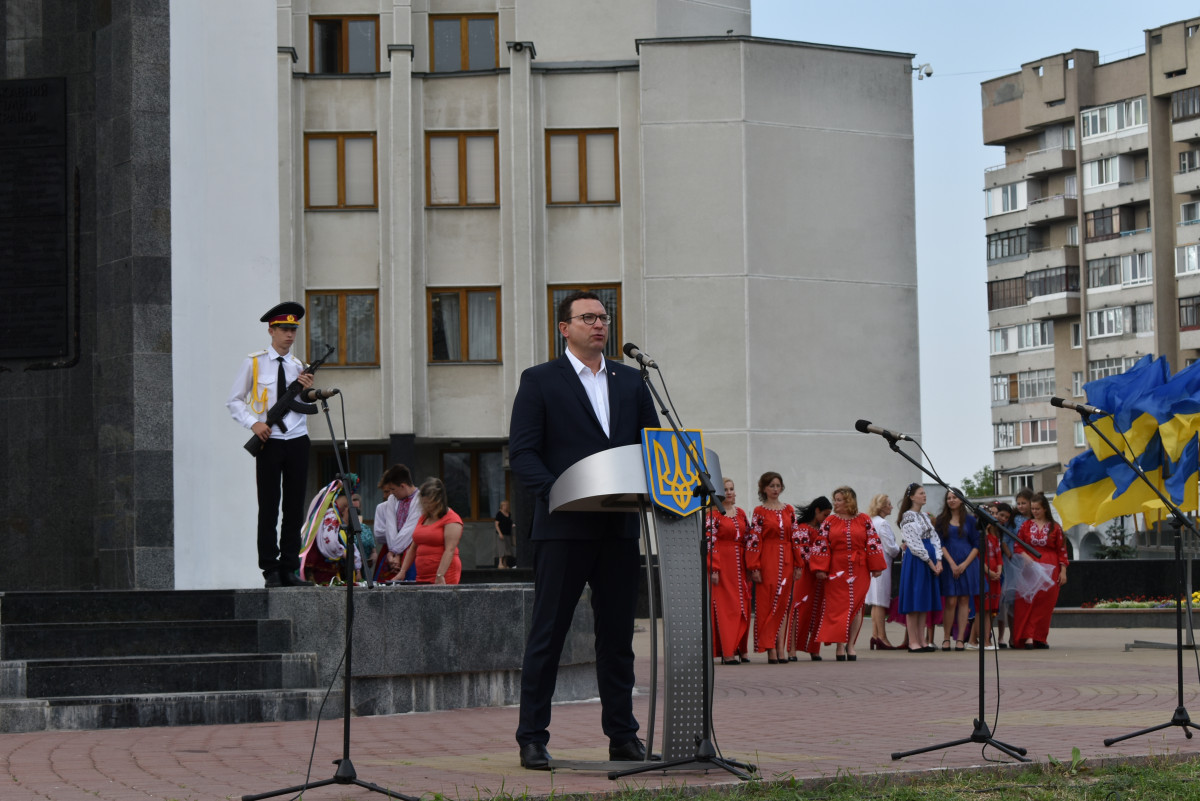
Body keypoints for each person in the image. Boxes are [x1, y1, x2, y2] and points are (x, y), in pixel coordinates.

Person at [508, 290, 660, 770]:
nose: (599, 324)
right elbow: (523, 453)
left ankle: (623, 737)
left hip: (619, 527)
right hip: (564, 527)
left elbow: (654, 449)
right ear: (564, 328)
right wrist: (559, 491)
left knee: (617, 639)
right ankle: (532, 738)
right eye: (588, 317)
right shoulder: (539, 380)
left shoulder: (632, 381)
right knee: (548, 635)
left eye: (604, 317)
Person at [226, 301, 316, 588]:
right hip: (269, 441)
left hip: (297, 440)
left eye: (293, 329)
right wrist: (254, 423)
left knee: (294, 507)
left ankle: (290, 567)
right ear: (271, 330)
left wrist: (307, 391)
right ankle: (270, 569)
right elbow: (235, 400)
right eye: (284, 329)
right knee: (269, 507)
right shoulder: (255, 362)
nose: (289, 335)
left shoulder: (299, 367)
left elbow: (302, 404)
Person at [809, 486, 887, 661]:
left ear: (849, 501)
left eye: (839, 500)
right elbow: (821, 544)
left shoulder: (864, 519)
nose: (835, 503)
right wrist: (820, 567)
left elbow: (873, 542)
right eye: (835, 499)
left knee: (856, 607)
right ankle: (839, 645)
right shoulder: (830, 521)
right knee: (838, 608)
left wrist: (876, 566)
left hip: (860, 569)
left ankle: (850, 645)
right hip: (837, 569)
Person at [746, 472, 798, 664]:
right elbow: (755, 539)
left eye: (778, 485)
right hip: (768, 558)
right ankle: (770, 647)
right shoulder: (760, 511)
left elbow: (796, 537)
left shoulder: (789, 510)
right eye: (771, 486)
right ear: (764, 489)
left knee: (783, 604)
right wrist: (754, 566)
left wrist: (799, 563)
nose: (775, 489)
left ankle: (780, 647)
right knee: (768, 603)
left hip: (787, 559)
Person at [1012, 492, 1069, 649]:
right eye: (1033, 509)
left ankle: (1040, 637)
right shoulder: (1026, 525)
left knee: (1045, 603)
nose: (1035, 511)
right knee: (1028, 601)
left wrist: (1063, 571)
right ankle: (1028, 636)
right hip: (1030, 567)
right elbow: (1018, 545)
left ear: (1045, 509)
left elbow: (1062, 550)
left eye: (1037, 508)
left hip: (1051, 567)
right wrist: (1024, 556)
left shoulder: (1055, 527)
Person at [705, 478, 751, 665]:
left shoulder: (741, 513)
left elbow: (748, 539)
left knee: (742, 605)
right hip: (723, 565)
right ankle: (727, 651)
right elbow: (710, 541)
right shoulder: (713, 515)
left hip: (740, 564)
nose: (730, 492)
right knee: (726, 609)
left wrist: (751, 565)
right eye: (726, 489)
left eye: (732, 489)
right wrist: (714, 567)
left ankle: (741, 648)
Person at [896, 483, 943, 653]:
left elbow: (935, 538)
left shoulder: (924, 516)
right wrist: (930, 563)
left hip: (929, 559)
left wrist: (939, 560)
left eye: (924, 493)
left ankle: (922, 640)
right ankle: (913, 641)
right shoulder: (908, 517)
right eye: (921, 493)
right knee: (913, 601)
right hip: (917, 561)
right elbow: (914, 545)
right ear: (912, 497)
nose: (924, 495)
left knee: (923, 601)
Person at [935, 491, 980, 651]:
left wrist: (965, 564)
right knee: (951, 601)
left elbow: (977, 544)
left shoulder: (970, 520)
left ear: (961, 500)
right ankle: (946, 638)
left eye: (954, 497)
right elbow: (939, 543)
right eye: (948, 498)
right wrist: (952, 564)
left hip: (968, 564)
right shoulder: (941, 520)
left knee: (964, 600)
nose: (951, 500)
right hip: (949, 563)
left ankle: (960, 638)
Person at [789, 496, 831, 661]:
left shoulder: (822, 529)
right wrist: (818, 564)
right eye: (825, 515)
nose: (826, 519)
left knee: (818, 611)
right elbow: (802, 551)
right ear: (817, 511)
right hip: (805, 573)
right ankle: (792, 649)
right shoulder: (802, 528)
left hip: (819, 576)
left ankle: (814, 649)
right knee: (799, 609)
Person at [398, 478, 463, 584]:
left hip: (444, 574)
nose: (426, 506)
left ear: (438, 501)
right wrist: (402, 571)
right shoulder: (423, 518)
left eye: (429, 503)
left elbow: (450, 550)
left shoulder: (452, 519)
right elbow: (413, 547)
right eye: (424, 503)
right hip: (422, 574)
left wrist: (440, 574)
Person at [969, 502, 1008, 650]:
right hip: (984, 575)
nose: (993, 517)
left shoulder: (994, 537)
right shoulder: (979, 537)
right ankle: (982, 641)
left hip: (995, 577)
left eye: (994, 514)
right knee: (982, 610)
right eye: (991, 514)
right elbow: (978, 557)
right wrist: (988, 571)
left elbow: (999, 556)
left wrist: (998, 570)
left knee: (990, 610)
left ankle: (982, 640)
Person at [865, 493, 901, 650]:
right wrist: (900, 549)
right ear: (882, 507)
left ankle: (875, 635)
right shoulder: (883, 524)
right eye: (889, 504)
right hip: (882, 565)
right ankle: (882, 637)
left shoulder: (870, 521)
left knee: (875, 601)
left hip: (872, 565)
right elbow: (891, 548)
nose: (891, 507)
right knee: (880, 602)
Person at [998, 487, 1033, 648]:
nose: (1020, 506)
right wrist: (1011, 557)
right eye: (1018, 503)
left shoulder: (1034, 519)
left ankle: (1024, 635)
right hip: (1013, 561)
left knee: (1024, 600)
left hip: (1029, 562)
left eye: (1024, 503)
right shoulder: (1015, 519)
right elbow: (1005, 540)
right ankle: (1011, 636)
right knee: (1011, 600)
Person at [374, 465, 422, 582]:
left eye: (393, 489)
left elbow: (410, 528)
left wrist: (395, 552)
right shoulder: (393, 499)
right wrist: (392, 552)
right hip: (393, 548)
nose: (391, 493)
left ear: (403, 486)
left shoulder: (420, 499)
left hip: (412, 547)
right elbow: (390, 527)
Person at [494, 500, 515, 569]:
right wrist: (500, 533)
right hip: (501, 534)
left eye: (507, 505)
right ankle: (500, 563)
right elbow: (496, 525)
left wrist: (512, 525)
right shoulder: (499, 514)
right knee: (502, 549)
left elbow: (509, 522)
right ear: (502, 506)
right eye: (504, 505)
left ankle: (505, 563)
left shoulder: (509, 514)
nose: (506, 507)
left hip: (508, 534)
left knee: (507, 550)